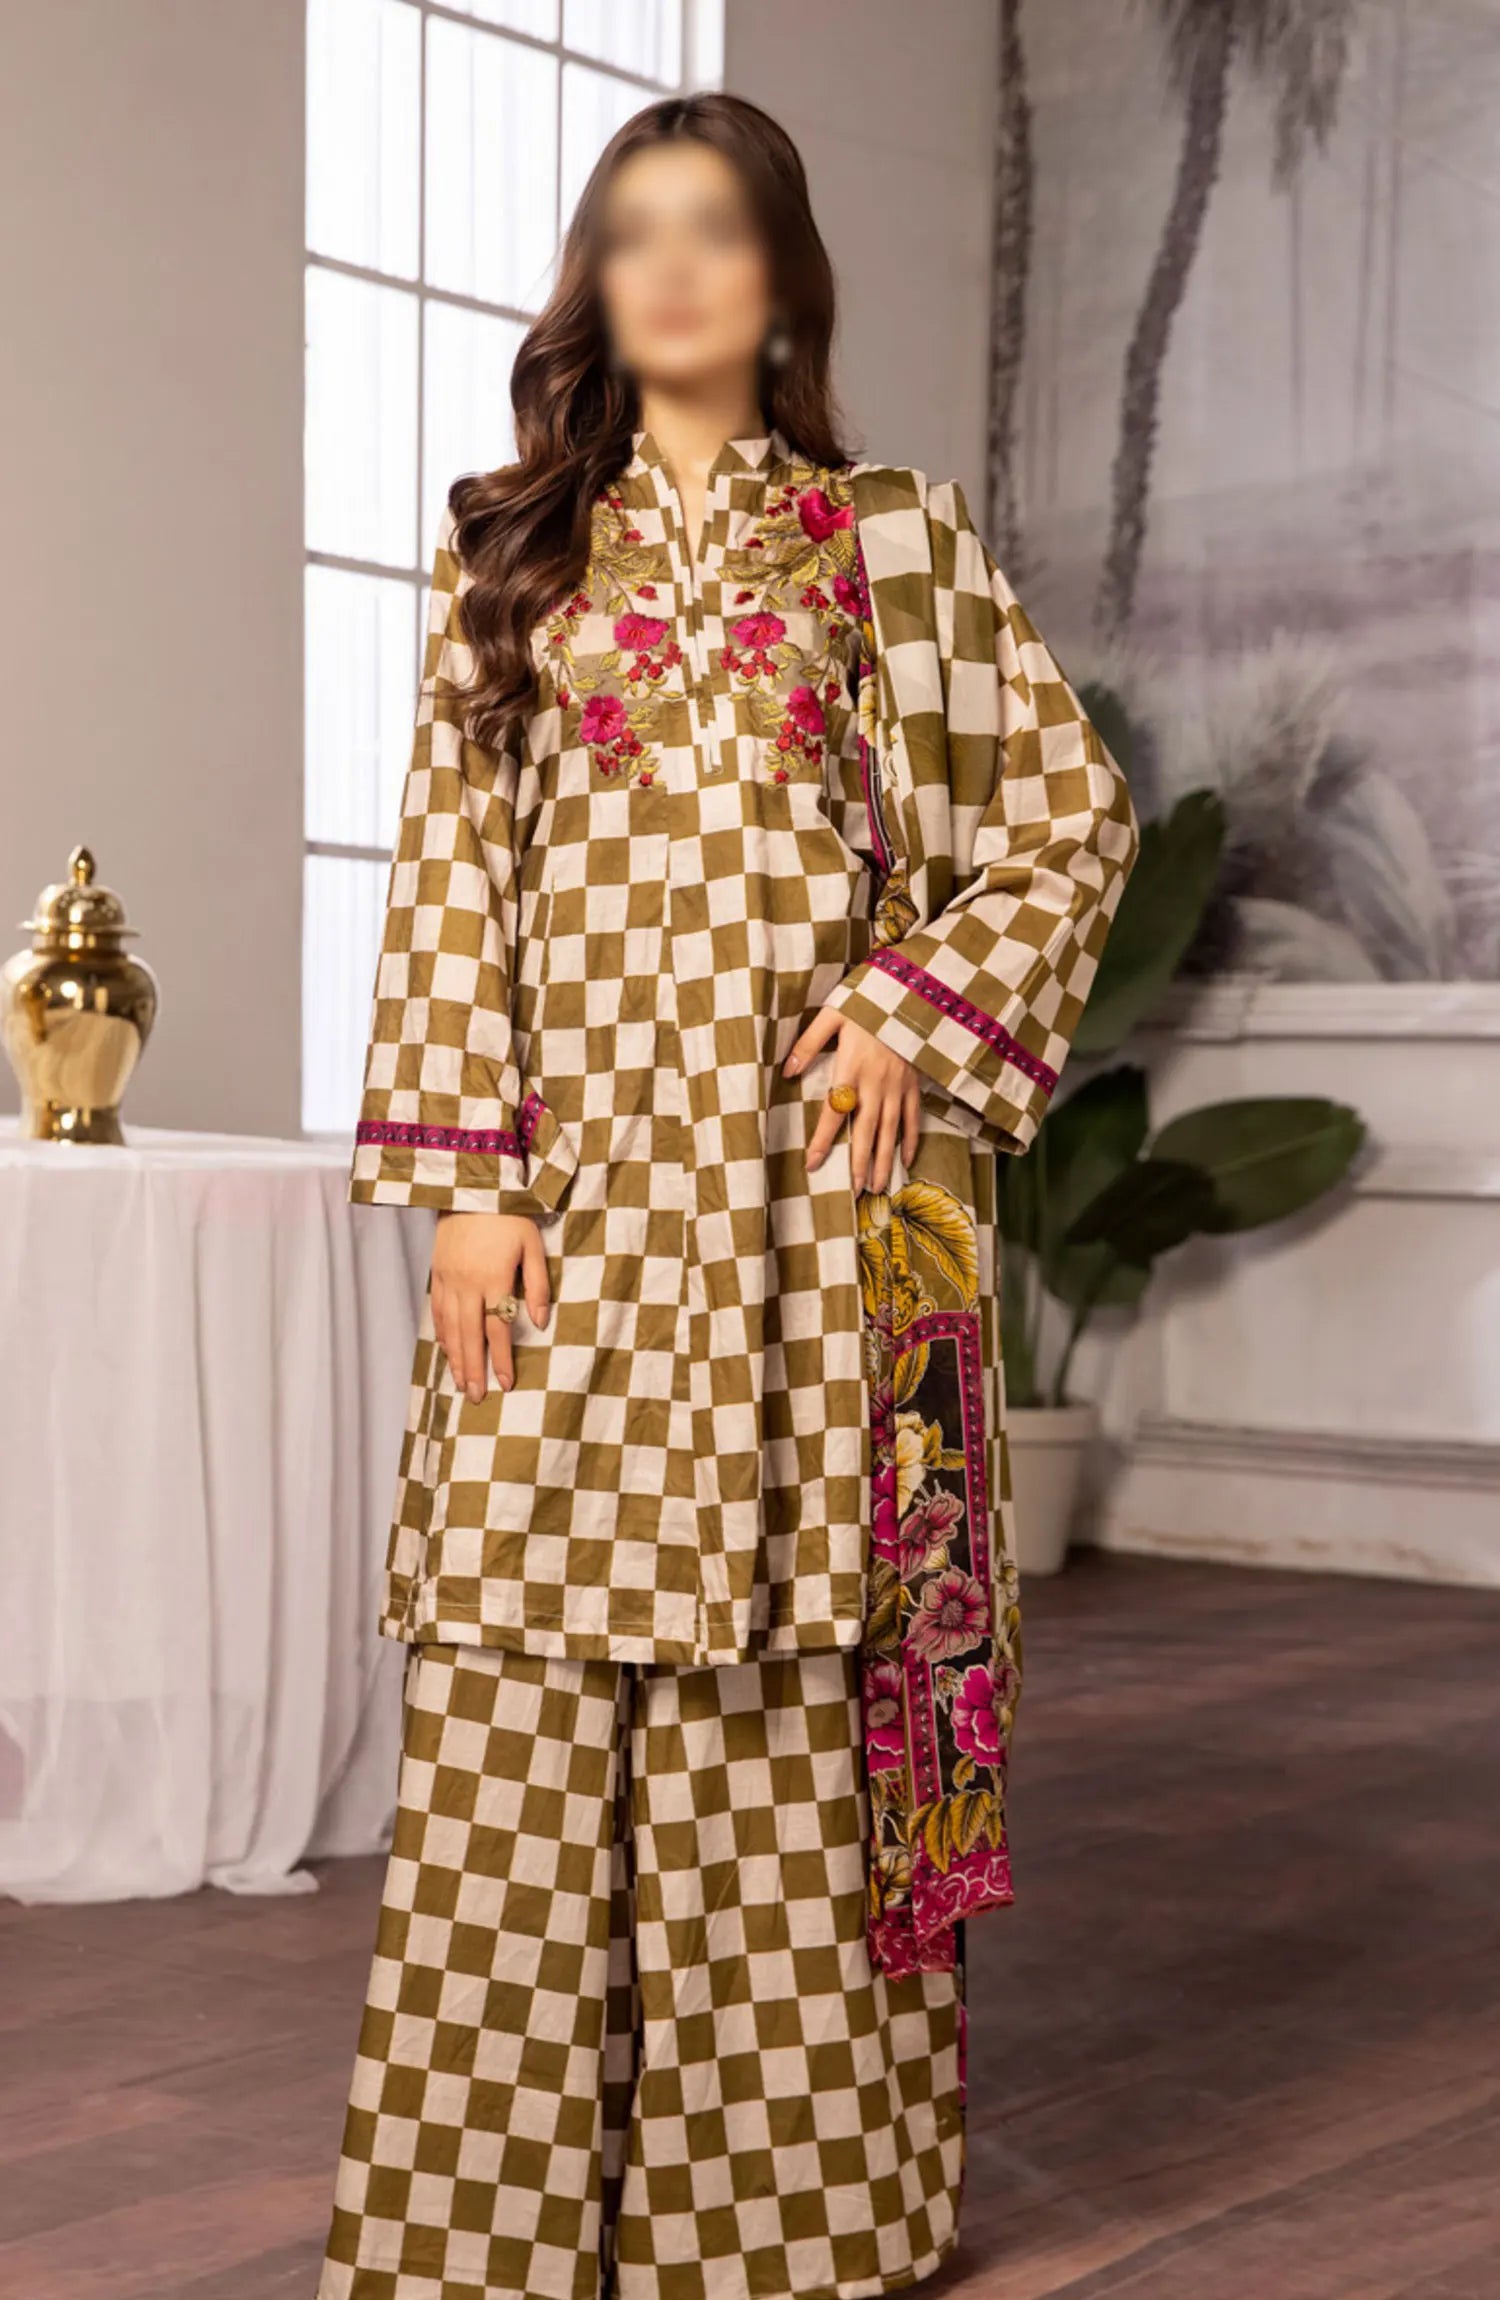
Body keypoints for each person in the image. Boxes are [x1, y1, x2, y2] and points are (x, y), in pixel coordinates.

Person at [317, 89, 1138, 2300]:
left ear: (782, 282)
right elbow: (449, 882)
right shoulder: (509, 555)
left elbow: (1070, 819)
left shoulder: (896, 547)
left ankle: (786, 2228)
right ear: (595, 284)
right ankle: (482, 2232)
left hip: (823, 1218)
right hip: (574, 1197)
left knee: (800, 1656)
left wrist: (911, 1009)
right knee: (518, 1645)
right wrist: (468, 1181)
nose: (672, 267)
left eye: (717, 230)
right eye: (634, 232)